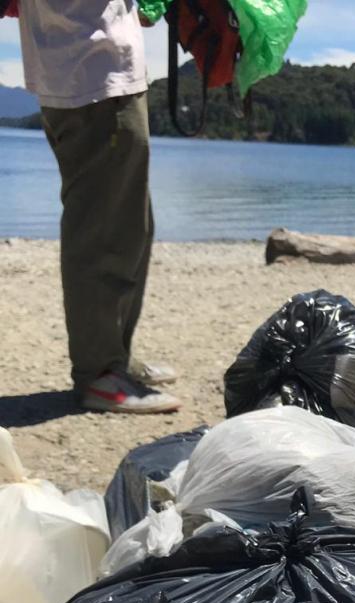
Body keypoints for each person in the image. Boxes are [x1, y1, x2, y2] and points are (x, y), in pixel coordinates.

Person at [15, 0, 181, 413]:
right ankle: (99, 372)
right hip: (89, 68)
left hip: (96, 66)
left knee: (129, 223)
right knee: (103, 225)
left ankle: (113, 359)